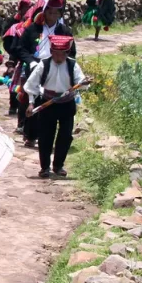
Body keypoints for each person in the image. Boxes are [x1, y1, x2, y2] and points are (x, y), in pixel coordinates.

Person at [24, 35, 87, 178]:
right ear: (51, 52)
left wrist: (84, 83)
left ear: (67, 53)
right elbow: (30, 85)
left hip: (67, 104)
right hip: (48, 103)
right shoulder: (44, 65)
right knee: (46, 136)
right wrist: (31, 102)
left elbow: (80, 81)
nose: (59, 57)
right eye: (56, 54)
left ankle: (58, 166)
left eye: (62, 54)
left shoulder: (72, 65)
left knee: (65, 136)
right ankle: (44, 167)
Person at [17, 0, 76, 148]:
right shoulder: (32, 29)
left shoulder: (64, 31)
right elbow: (22, 48)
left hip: (56, 68)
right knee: (33, 101)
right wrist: (30, 62)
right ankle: (30, 135)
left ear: (60, 14)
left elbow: (72, 52)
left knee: (50, 103)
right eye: (49, 12)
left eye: (56, 12)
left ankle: (47, 136)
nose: (52, 15)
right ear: (44, 11)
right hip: (36, 66)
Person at [2, 0, 38, 117]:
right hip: (22, 62)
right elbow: (13, 45)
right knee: (19, 89)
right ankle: (15, 110)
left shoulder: (35, 30)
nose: (27, 9)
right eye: (25, 7)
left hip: (34, 62)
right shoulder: (16, 26)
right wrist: (12, 62)